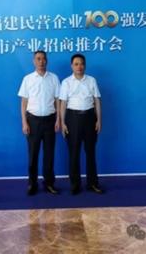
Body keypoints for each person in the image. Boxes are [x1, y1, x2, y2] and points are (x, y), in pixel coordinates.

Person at [18, 50, 61, 195]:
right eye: (38, 59)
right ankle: (32, 183)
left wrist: (58, 119)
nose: (41, 61)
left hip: (50, 120)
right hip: (33, 121)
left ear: (47, 61)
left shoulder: (54, 78)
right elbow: (23, 102)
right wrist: (24, 122)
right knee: (33, 154)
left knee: (49, 154)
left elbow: (58, 100)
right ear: (33, 61)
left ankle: (49, 183)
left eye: (43, 59)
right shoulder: (28, 79)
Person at [60, 53, 103, 195]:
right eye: (76, 64)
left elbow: (97, 101)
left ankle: (92, 183)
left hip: (90, 118)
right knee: (74, 153)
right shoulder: (66, 82)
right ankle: (75, 184)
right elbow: (63, 103)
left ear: (85, 65)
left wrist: (99, 120)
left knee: (90, 152)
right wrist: (62, 123)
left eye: (82, 64)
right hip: (72, 119)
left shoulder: (91, 80)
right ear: (71, 66)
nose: (79, 66)